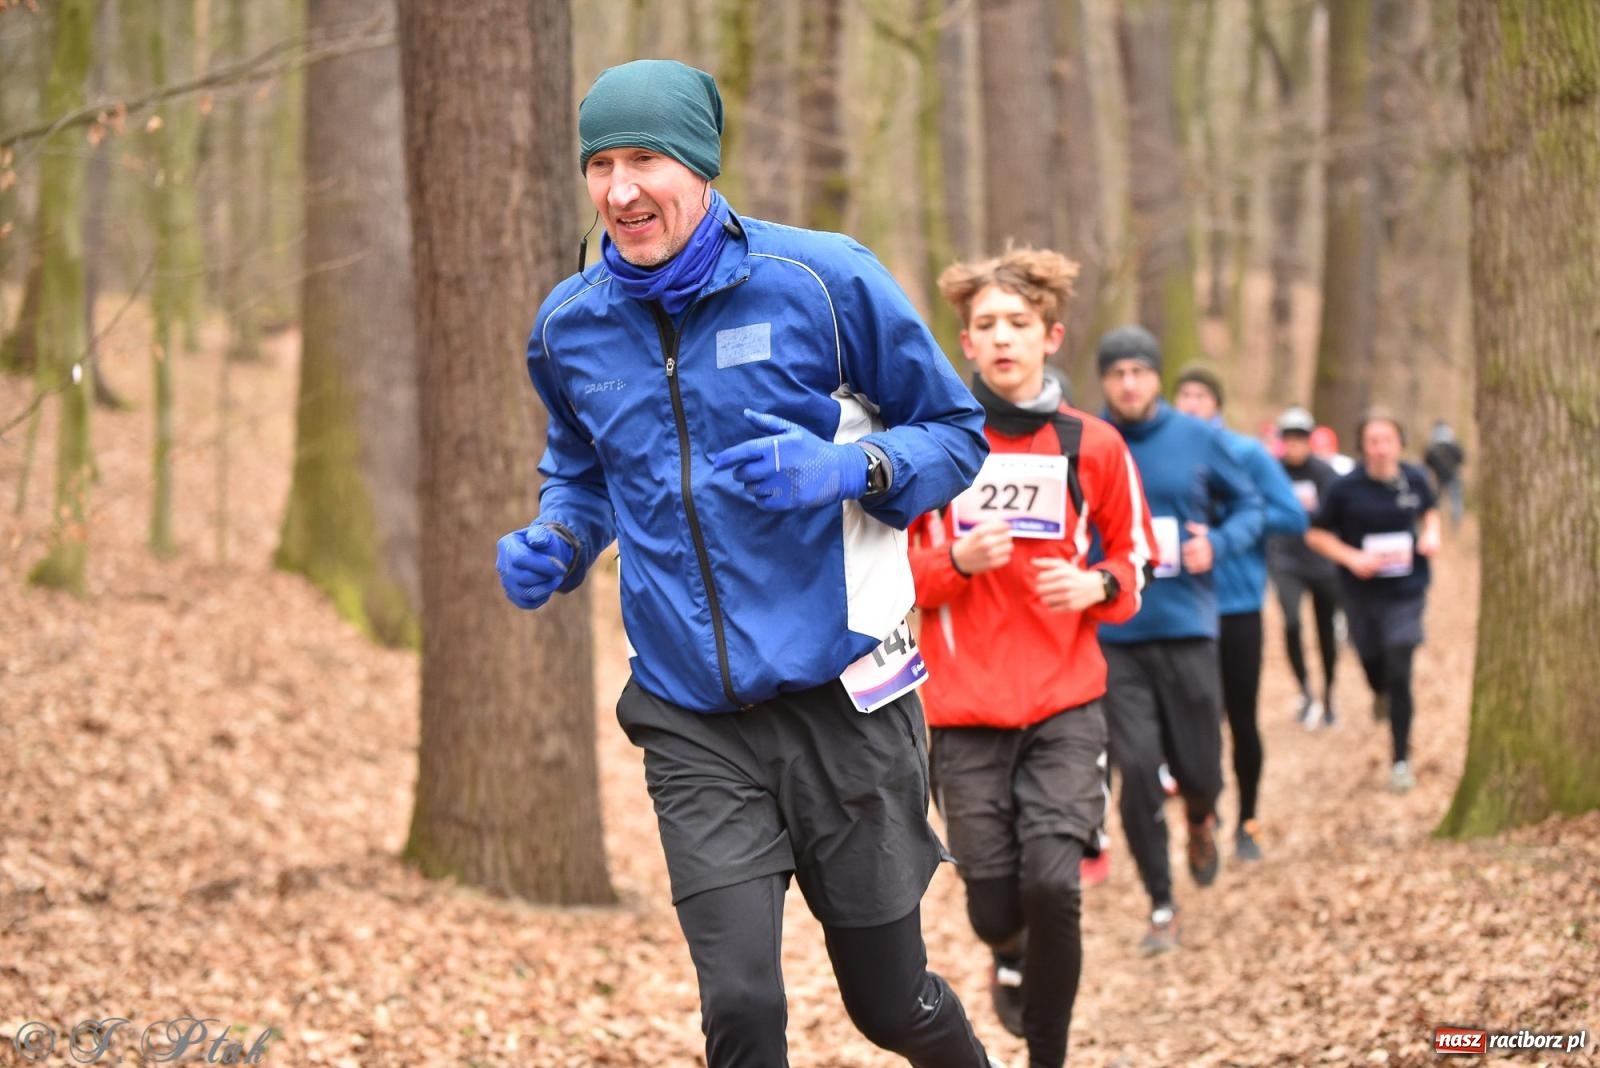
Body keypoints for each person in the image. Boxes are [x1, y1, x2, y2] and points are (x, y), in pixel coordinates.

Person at [495, 60, 1000, 1068]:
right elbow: (585, 475)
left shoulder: (821, 280)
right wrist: (562, 536)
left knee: (889, 1005)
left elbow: (955, 431)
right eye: (599, 164)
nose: (619, 190)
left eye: (645, 159)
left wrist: (851, 468)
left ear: (700, 163)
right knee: (740, 1005)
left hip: (843, 701)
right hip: (691, 716)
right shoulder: (569, 326)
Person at [909, 249, 1154, 1066]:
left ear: (1051, 337)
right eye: (986, 325)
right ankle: (1007, 954)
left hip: (1064, 703)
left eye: (1019, 323)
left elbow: (1135, 559)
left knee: (1054, 884)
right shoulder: (935, 446)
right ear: (966, 343)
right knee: (991, 903)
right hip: (964, 710)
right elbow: (891, 574)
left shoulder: (1094, 445)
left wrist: (1096, 586)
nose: (1003, 337)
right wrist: (956, 562)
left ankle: (1049, 1054)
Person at [1094, 327, 1264, 954]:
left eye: (1139, 372)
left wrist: (1215, 543)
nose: (1128, 384)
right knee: (1137, 770)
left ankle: (1200, 816)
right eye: (1117, 373)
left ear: (1156, 378)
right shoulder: (1091, 440)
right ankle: (1161, 903)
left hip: (1187, 626)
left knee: (1200, 768)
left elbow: (1250, 508)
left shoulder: (1198, 438)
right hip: (1117, 631)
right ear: (1104, 380)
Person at [1171, 365, 1306, 862]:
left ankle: (1248, 822)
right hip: (1183, 606)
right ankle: (1205, 810)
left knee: (1241, 718)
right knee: (1192, 721)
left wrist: (1234, 525)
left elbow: (1293, 515)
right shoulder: (1166, 452)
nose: (1191, 403)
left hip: (1237, 605)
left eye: (1200, 395)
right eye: (1183, 394)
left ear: (1218, 405)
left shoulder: (1247, 454)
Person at [1305, 409, 1441, 794]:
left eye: (1387, 440)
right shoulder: (1344, 488)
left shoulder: (1415, 478)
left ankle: (1400, 760)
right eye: (1373, 441)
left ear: (1400, 443)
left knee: (1400, 664)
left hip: (1406, 591)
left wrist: (1431, 534)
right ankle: (1378, 692)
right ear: (1362, 446)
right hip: (1361, 595)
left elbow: (1430, 512)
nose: (1381, 448)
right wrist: (1352, 558)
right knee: (1373, 663)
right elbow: (1316, 535)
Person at [1266, 406, 1343, 729]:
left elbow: (1338, 512)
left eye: (1300, 436)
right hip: (1285, 561)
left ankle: (1329, 696)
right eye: (1289, 437)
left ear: (1309, 439)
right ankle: (1305, 691)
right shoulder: (1271, 471)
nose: (1294, 443)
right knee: (1293, 622)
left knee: (1327, 630)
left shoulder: (1325, 473)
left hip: (1321, 562)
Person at [1423, 419, 1466, 530]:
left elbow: (1427, 461)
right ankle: (1455, 526)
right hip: (1452, 476)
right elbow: (1461, 458)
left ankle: (1437, 525)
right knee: (1455, 502)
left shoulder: (1433, 446)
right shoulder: (1453, 444)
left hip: (1439, 477)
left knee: (1437, 503)